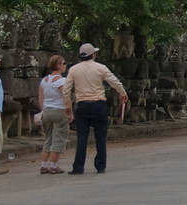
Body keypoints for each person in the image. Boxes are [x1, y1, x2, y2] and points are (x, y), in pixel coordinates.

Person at [63, 43, 128, 175]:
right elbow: (114, 81)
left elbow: (66, 90)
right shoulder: (100, 68)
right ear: (93, 54)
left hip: (82, 105)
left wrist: (67, 106)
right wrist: (123, 93)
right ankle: (100, 166)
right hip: (98, 104)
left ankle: (78, 166)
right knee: (100, 136)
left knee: (82, 136)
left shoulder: (74, 69)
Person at [38, 55, 70, 174]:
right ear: (58, 66)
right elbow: (65, 96)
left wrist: (43, 109)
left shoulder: (44, 80)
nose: (65, 65)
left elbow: (41, 97)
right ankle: (54, 165)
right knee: (58, 138)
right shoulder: (61, 81)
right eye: (63, 63)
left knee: (49, 138)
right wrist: (69, 110)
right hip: (59, 110)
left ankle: (43, 165)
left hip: (47, 110)